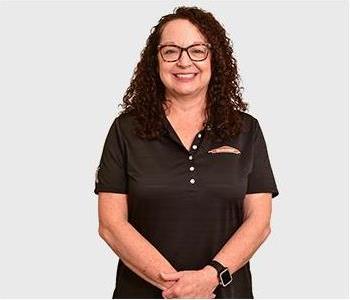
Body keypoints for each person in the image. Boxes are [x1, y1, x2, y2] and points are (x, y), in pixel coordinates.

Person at [94, 6, 279, 299]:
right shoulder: (126, 130)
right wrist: (178, 288)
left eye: (197, 50)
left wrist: (210, 277)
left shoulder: (246, 130)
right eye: (171, 51)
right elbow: (111, 225)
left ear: (214, 57)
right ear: (155, 59)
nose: (184, 61)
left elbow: (259, 221)